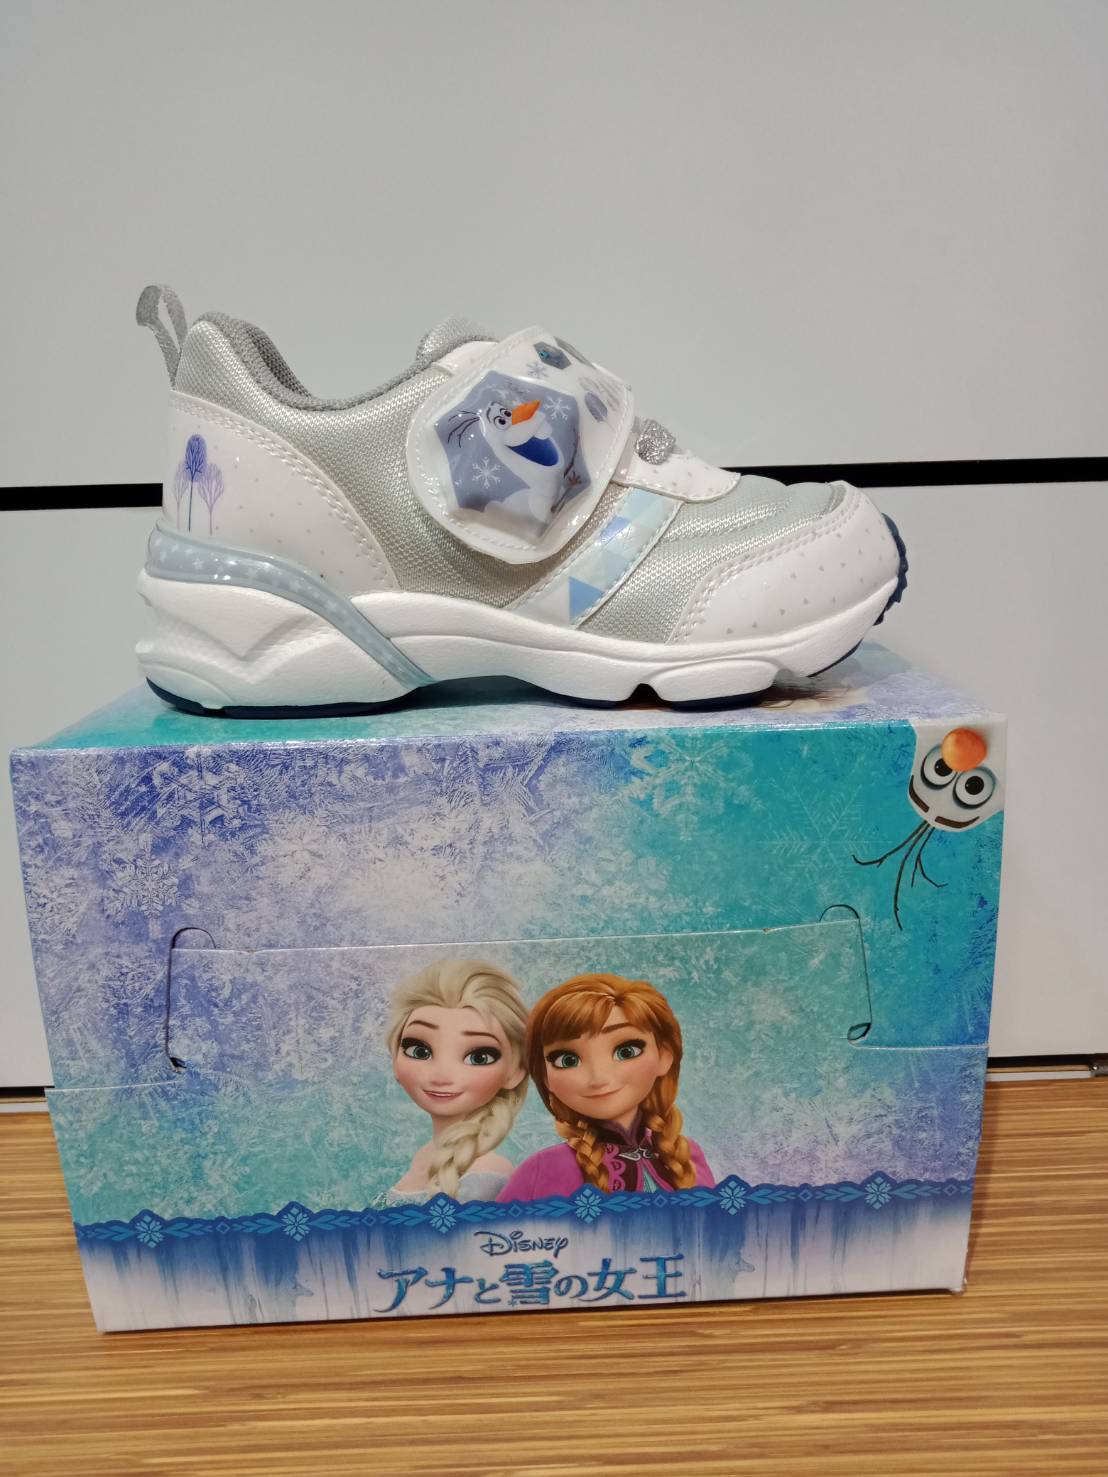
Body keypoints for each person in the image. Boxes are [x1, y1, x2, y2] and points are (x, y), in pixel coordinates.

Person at [497, 973, 714, 1202]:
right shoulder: (542, 1170)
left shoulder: (687, 1155)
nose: (598, 1078)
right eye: (568, 1060)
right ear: (545, 1076)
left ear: (664, 1056)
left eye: (626, 1051)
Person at [384, 958, 528, 1204]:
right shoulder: (425, 1155)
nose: (441, 1075)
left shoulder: (487, 1174)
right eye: (420, 1051)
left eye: (479, 1057)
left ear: (515, 1071)